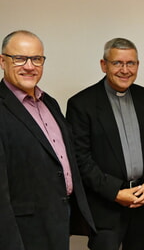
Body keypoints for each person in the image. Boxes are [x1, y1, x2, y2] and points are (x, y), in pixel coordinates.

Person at [0, 30, 95, 250]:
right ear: (3, 61)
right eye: (20, 58)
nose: (29, 66)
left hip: (58, 219)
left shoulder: (48, 102)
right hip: (22, 231)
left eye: (36, 59)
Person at [66, 38, 144, 250]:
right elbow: (80, 159)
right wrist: (115, 193)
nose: (125, 70)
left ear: (137, 65)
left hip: (142, 202)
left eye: (131, 63)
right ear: (103, 65)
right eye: (117, 63)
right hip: (104, 205)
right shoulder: (81, 104)